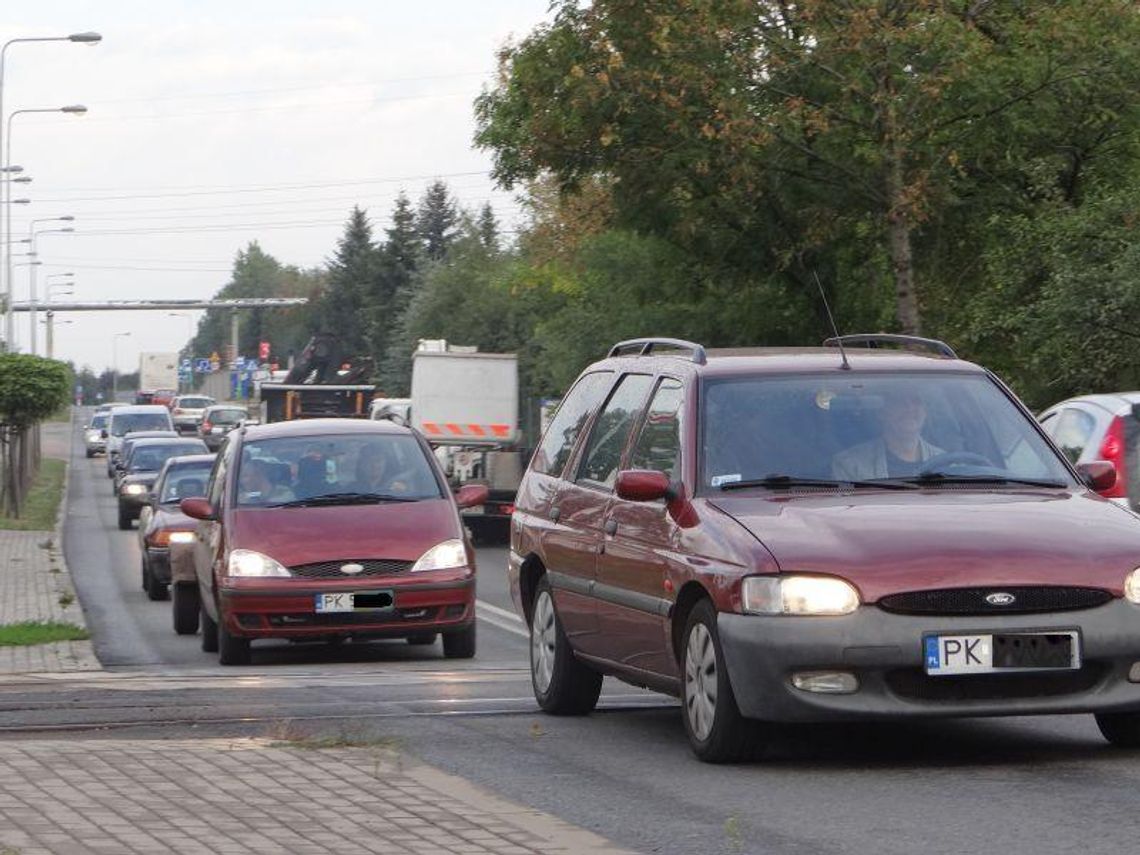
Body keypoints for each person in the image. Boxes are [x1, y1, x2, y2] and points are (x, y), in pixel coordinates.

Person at [832, 387, 943, 480]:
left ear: (926, 412)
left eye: (916, 401)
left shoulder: (945, 463)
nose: (909, 408)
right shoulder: (851, 464)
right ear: (881, 413)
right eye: (899, 402)